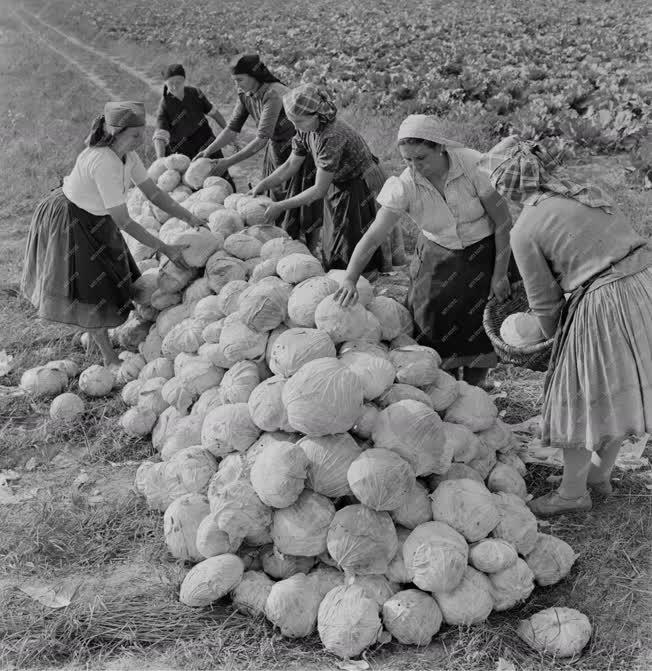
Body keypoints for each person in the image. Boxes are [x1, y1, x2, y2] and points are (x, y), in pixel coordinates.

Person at [482, 136, 652, 516]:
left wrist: (541, 341)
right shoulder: (583, 190)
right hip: (642, 285)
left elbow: (544, 306)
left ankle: (573, 493)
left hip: (604, 300)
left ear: (505, 186)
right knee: (616, 387)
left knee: (575, 395)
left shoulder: (524, 229)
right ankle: (598, 474)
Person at [21, 101, 205, 370]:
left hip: (96, 216)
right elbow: (123, 220)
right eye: (134, 135)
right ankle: (108, 357)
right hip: (71, 218)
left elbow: (152, 193)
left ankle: (97, 335)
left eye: (142, 133)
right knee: (90, 287)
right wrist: (165, 247)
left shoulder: (128, 158)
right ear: (115, 133)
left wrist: (188, 216)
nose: (140, 140)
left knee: (107, 276)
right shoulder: (103, 161)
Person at [335, 114, 514, 387]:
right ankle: (446, 384)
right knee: (432, 319)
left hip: (484, 253)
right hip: (438, 255)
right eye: (407, 160)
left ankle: (476, 387)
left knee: (479, 323)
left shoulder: (473, 166)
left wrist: (500, 274)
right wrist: (349, 277)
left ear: (440, 147)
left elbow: (503, 222)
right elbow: (372, 237)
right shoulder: (405, 185)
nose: (414, 166)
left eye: (421, 158)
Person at [252, 83, 400, 273]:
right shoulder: (305, 130)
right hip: (337, 181)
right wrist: (262, 184)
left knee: (351, 244)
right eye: (292, 121)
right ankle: (343, 276)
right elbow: (291, 165)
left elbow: (319, 190)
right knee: (334, 241)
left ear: (317, 114)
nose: (295, 127)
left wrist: (281, 205)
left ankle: (360, 282)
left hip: (360, 183)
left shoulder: (331, 135)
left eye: (299, 121)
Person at [196, 54, 323, 252]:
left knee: (304, 202)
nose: (237, 85)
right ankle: (285, 245)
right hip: (276, 150)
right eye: (235, 81)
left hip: (299, 150)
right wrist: (207, 151)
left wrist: (228, 162)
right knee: (274, 199)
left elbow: (261, 138)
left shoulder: (273, 93)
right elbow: (232, 128)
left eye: (240, 80)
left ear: (255, 75)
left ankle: (312, 250)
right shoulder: (245, 94)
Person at [153, 64, 235, 190]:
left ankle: (231, 194)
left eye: (178, 82)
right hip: (182, 146)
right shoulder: (165, 105)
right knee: (193, 182)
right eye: (170, 84)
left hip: (204, 138)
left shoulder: (195, 93)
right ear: (165, 84)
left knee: (220, 172)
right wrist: (160, 161)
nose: (175, 87)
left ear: (184, 80)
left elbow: (214, 113)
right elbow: (160, 135)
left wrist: (229, 132)